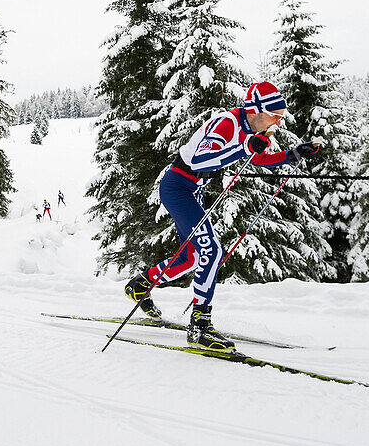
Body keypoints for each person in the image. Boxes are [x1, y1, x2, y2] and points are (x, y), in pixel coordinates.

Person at [123, 81, 320, 351]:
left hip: (192, 191)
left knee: (191, 256)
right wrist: (246, 147)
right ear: (257, 111)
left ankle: (141, 285)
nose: (277, 123)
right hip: (178, 187)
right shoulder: (227, 124)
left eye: (280, 118)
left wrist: (292, 155)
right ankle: (200, 327)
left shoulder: (249, 127)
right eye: (275, 116)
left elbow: (257, 157)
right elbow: (200, 161)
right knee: (212, 251)